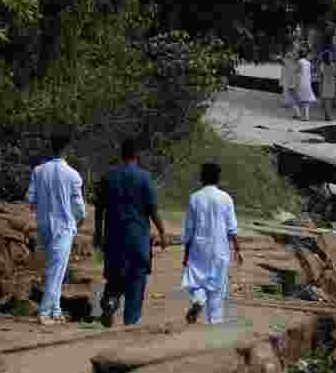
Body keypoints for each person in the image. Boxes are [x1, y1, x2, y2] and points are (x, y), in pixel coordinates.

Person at [93, 138, 167, 328]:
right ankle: (129, 325)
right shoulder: (144, 178)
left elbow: (99, 209)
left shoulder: (109, 176)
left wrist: (98, 233)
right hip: (137, 239)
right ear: (137, 156)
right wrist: (162, 232)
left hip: (114, 238)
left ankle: (110, 302)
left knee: (114, 277)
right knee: (136, 281)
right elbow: (152, 210)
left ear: (121, 154)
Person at [27, 130, 86, 326]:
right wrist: (80, 219)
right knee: (56, 269)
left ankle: (56, 310)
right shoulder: (73, 175)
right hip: (63, 225)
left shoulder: (38, 171)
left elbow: (31, 200)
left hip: (44, 224)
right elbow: (78, 207)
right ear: (67, 148)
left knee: (55, 268)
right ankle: (44, 312)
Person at [181, 162, 243, 327]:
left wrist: (186, 254)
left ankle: (199, 299)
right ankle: (214, 324)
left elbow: (189, 229)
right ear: (218, 178)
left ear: (202, 177)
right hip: (219, 249)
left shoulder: (195, 198)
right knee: (216, 289)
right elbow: (232, 229)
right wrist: (238, 249)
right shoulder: (226, 198)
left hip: (199, 248)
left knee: (195, 281)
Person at [295, 49, 317, 121]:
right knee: (305, 100)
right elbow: (307, 72)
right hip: (305, 82)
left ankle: (304, 116)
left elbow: (297, 71)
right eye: (310, 55)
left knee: (303, 99)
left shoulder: (302, 62)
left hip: (304, 81)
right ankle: (306, 116)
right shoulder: (305, 62)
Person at [318, 49, 336, 121]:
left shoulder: (322, 65)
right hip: (331, 83)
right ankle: (328, 116)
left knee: (326, 100)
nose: (331, 57)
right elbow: (335, 74)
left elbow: (321, 75)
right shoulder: (332, 65)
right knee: (328, 100)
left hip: (325, 83)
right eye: (331, 56)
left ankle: (327, 115)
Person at [284, 52, 300, 118]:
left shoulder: (290, 65)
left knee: (293, 100)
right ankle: (296, 113)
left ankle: (297, 114)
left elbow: (294, 75)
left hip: (292, 84)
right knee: (294, 100)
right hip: (295, 84)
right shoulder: (295, 65)